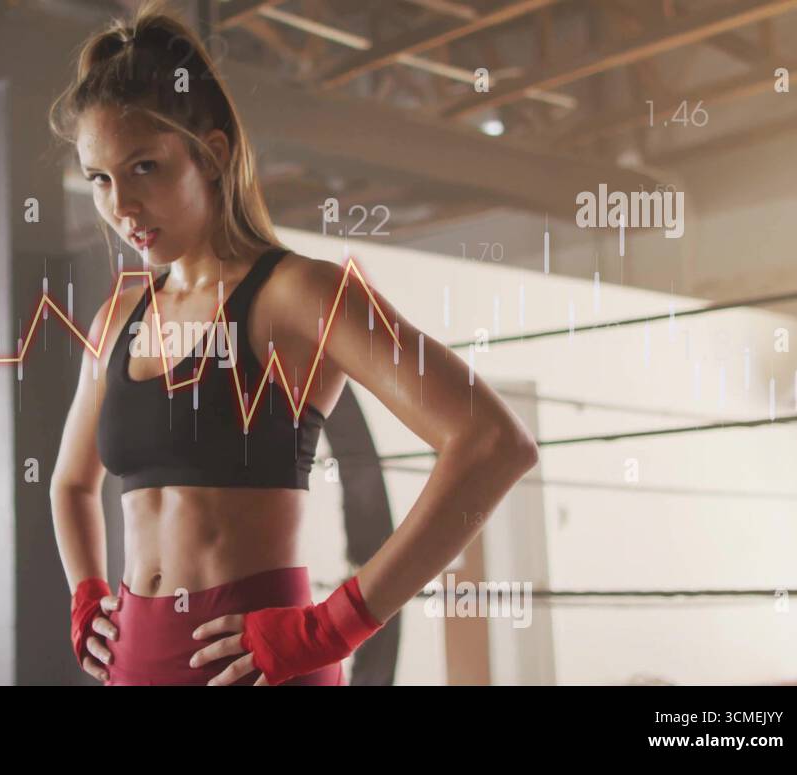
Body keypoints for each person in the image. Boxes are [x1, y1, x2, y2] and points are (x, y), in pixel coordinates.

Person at [47, 1, 539, 686]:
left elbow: (492, 443)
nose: (121, 205)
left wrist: (334, 624)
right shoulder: (117, 317)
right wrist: (86, 592)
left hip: (259, 666)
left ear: (211, 155)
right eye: (100, 178)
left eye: (145, 168)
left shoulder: (298, 294)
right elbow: (71, 482)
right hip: (133, 666)